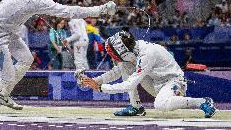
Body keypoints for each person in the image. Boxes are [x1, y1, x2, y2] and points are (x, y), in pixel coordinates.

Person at [82, 31, 216, 118]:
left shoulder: (147, 54)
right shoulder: (133, 51)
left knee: (161, 104)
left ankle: (203, 101)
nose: (114, 57)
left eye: (115, 54)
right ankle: (136, 108)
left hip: (175, 82)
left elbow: (130, 84)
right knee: (126, 67)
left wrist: (100, 88)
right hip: (156, 83)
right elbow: (116, 72)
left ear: (122, 51)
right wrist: (94, 80)